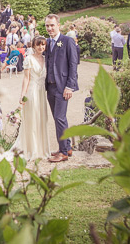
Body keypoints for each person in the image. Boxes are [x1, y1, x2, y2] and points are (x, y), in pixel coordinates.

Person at [45, 14, 79, 163]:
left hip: (63, 87)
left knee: (59, 117)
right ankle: (67, 146)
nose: (50, 28)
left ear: (59, 25)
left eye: (52, 25)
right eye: (47, 26)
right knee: (59, 118)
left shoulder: (67, 41)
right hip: (50, 86)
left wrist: (70, 87)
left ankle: (63, 152)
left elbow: (73, 65)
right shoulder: (47, 42)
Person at [14, 36, 51, 160]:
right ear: (33, 46)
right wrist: (22, 95)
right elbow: (26, 78)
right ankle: (32, 150)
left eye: (43, 45)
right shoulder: (29, 59)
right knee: (33, 119)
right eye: (38, 45)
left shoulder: (46, 59)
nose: (41, 47)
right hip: (32, 92)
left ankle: (42, 149)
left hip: (42, 93)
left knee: (41, 119)